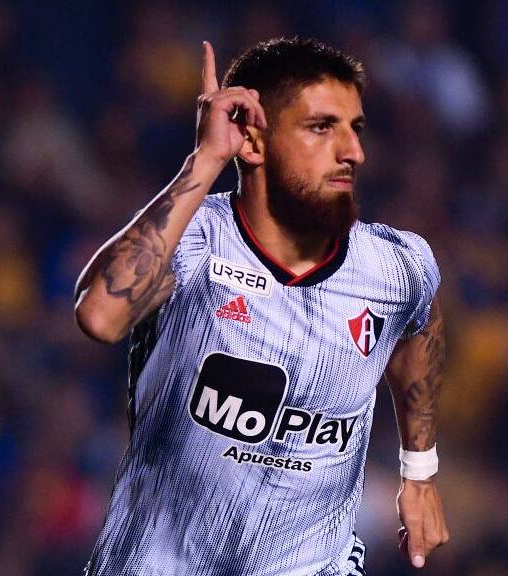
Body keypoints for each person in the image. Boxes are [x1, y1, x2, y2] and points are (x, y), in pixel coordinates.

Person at [74, 37, 448, 576]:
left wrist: (419, 471)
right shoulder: (194, 243)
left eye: (355, 128)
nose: (353, 152)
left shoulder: (396, 267)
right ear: (253, 143)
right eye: (322, 127)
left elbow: (420, 326)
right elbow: (100, 317)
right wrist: (204, 160)